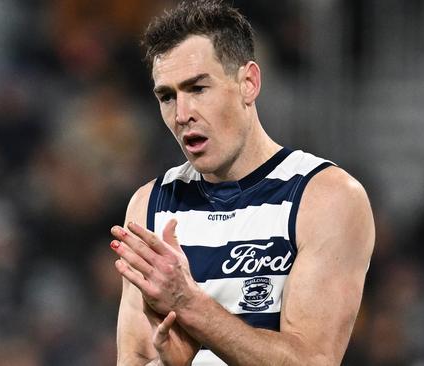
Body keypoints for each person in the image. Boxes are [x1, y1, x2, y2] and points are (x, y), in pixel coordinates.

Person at [109, 0, 375, 364]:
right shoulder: (149, 206)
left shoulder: (325, 197)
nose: (182, 114)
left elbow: (312, 360)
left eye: (198, 88)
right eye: (167, 96)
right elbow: (135, 358)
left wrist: (191, 307)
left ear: (249, 83)